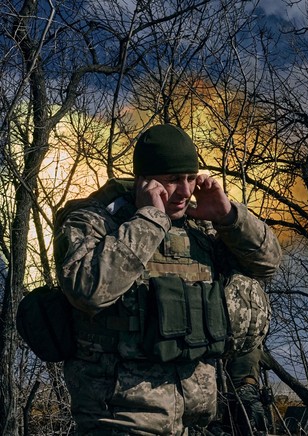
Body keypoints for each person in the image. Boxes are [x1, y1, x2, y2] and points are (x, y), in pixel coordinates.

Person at [53, 123, 282, 435]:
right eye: (173, 179)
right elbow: (87, 289)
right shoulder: (95, 221)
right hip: (119, 420)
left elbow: (266, 265)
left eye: (190, 178)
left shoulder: (198, 228)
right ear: (143, 180)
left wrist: (229, 216)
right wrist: (149, 220)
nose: (185, 191)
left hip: (192, 421)